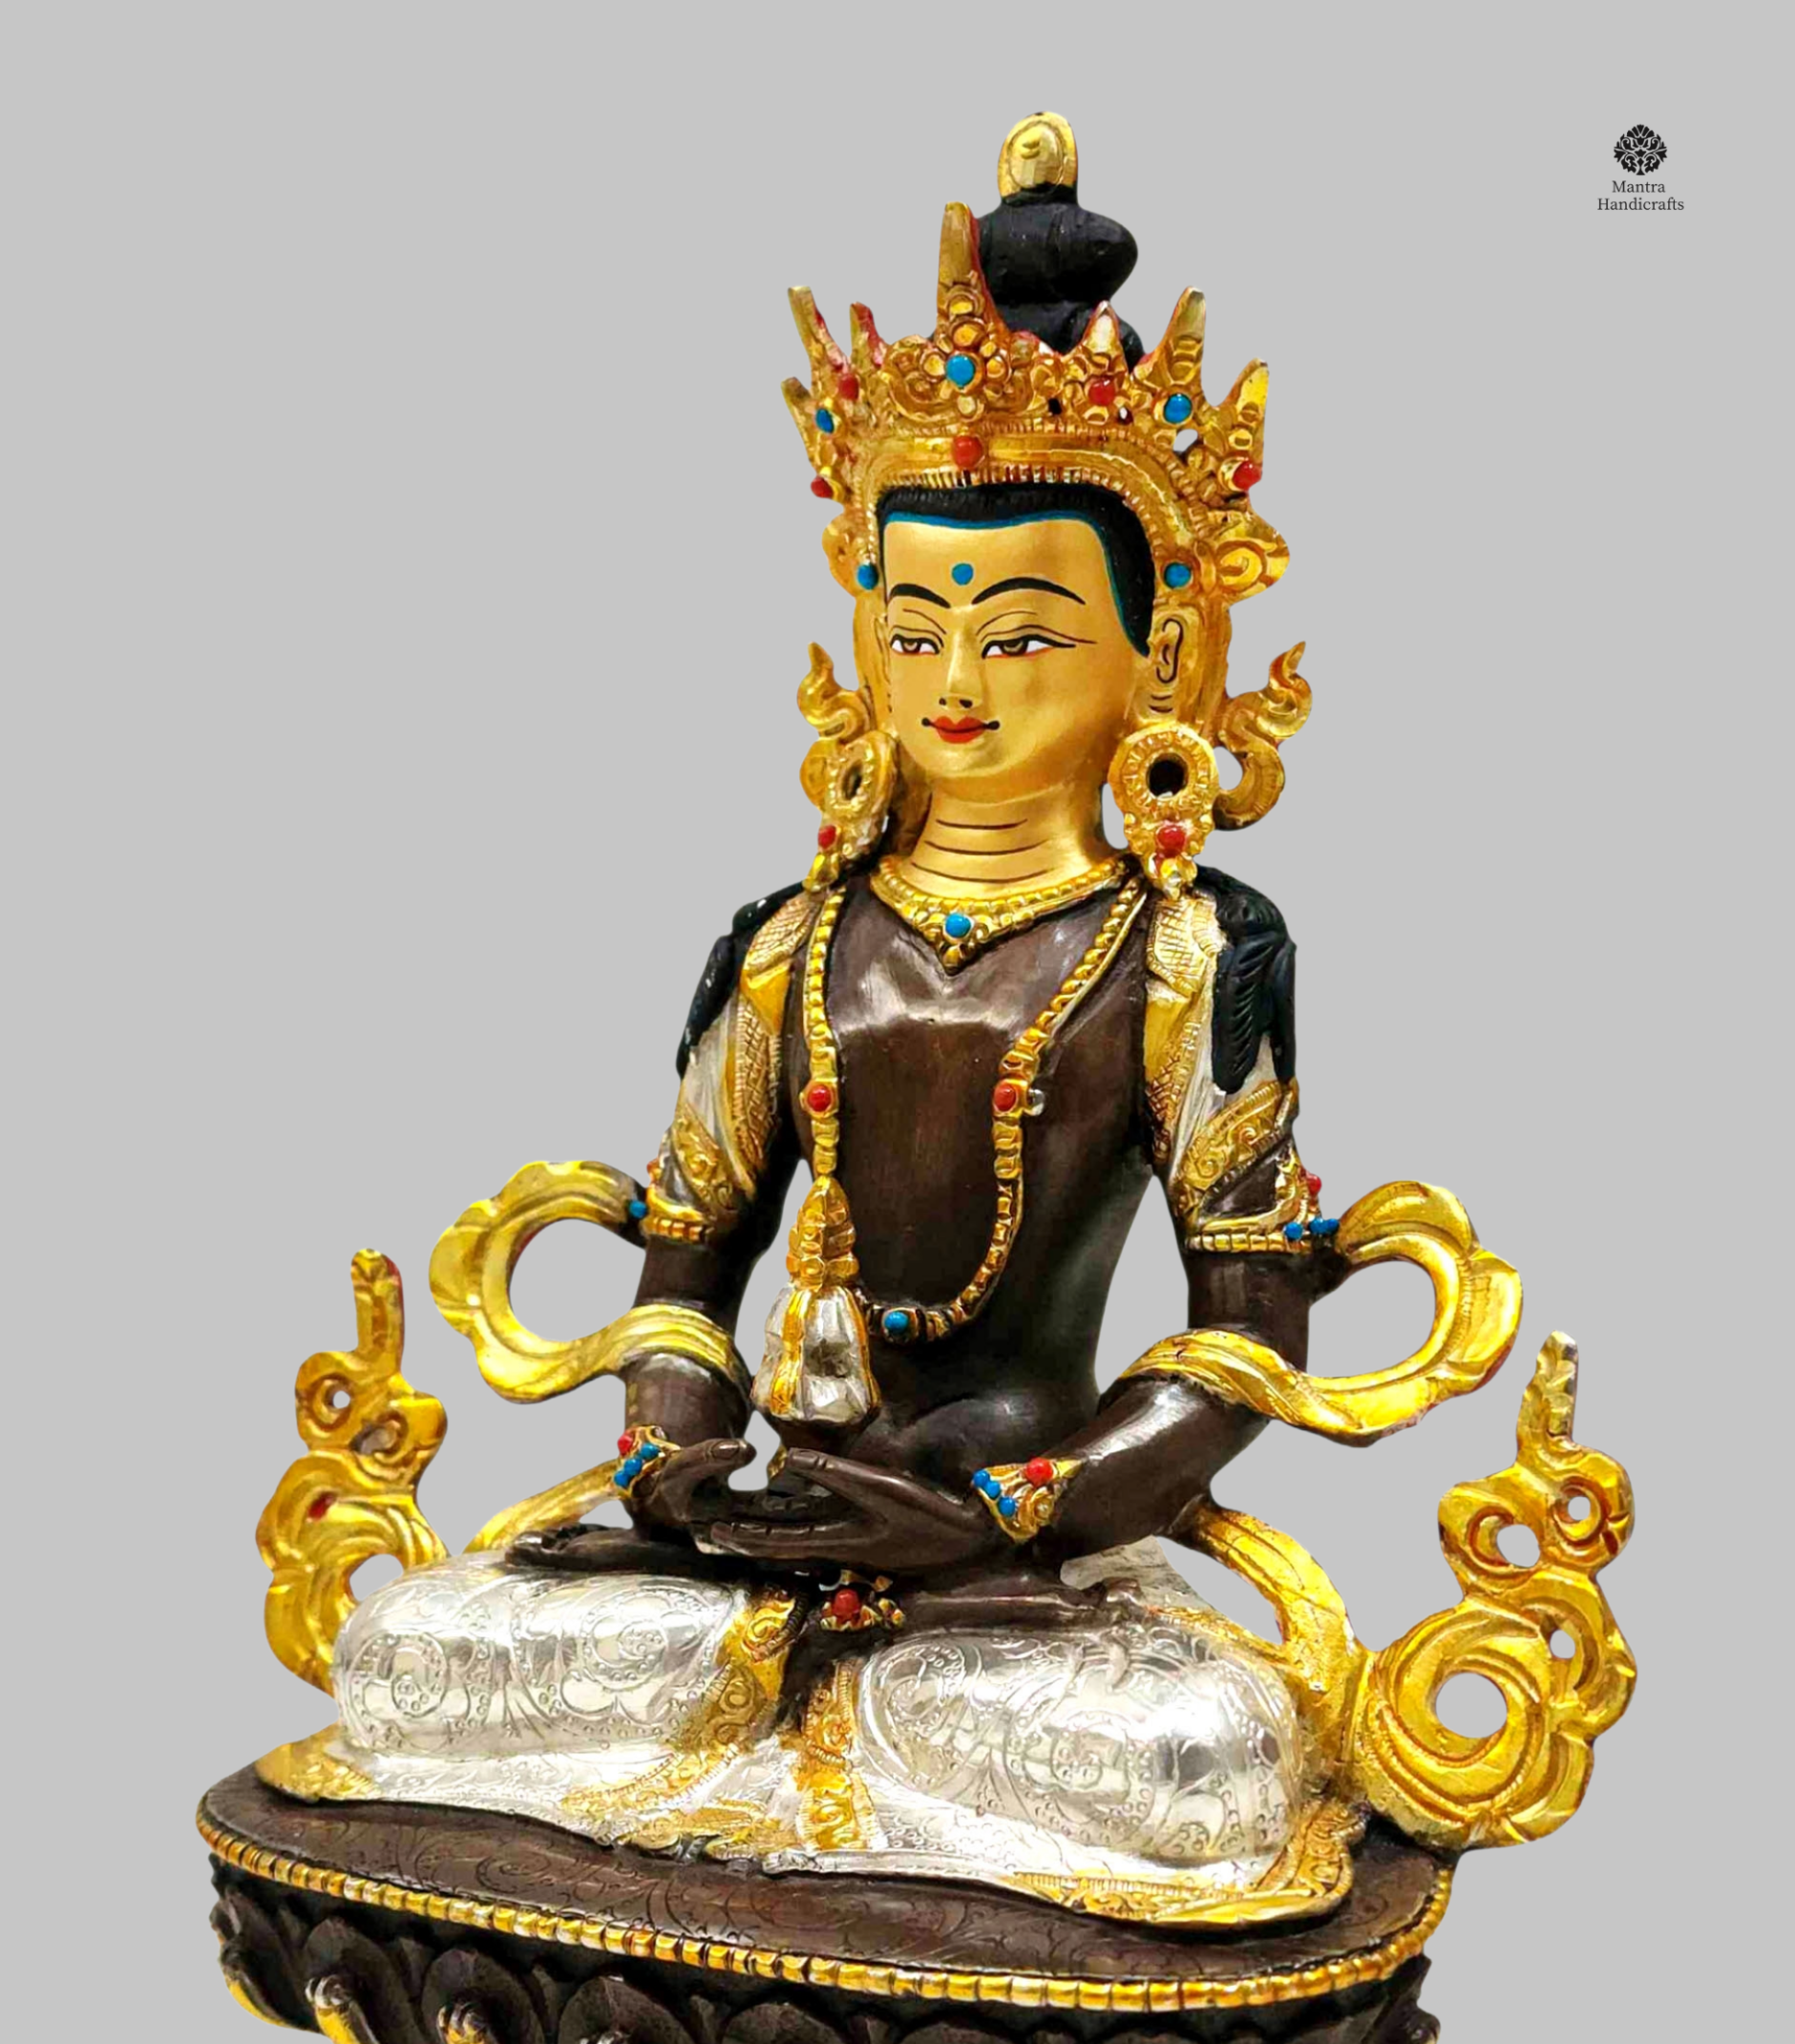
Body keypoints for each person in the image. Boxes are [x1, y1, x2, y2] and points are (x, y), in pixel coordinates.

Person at [320, 123, 1369, 1924]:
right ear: (862, 634)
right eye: (916, 621)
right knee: (421, 1653)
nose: (956, 683)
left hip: (1029, 1565)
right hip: (762, 1534)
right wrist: (673, 1461)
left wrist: (1015, 1505)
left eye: (1022, 634)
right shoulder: (788, 946)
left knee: (1183, 1761)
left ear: (1164, 655)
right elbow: (684, 1276)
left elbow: (1242, 1344)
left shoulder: (1191, 953)